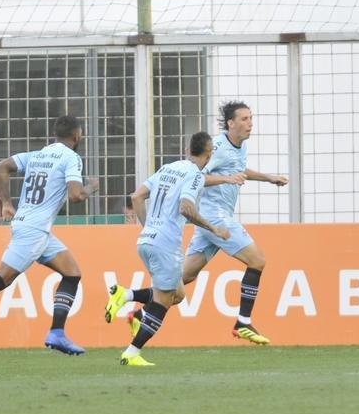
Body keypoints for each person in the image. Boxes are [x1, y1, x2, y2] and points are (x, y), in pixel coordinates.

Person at [0, 115, 98, 355]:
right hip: (34, 231)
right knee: (2, 279)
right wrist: (91, 187)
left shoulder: (38, 155)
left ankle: (57, 332)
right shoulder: (71, 158)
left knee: (72, 273)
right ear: (77, 135)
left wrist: (7, 203)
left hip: (33, 227)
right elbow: (76, 195)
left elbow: (3, 166)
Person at [104, 132, 230, 366]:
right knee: (163, 301)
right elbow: (186, 208)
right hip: (166, 244)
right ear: (209, 154)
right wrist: (214, 229)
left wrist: (149, 227)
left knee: (178, 295)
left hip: (146, 240)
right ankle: (132, 353)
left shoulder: (168, 168)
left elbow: (137, 196)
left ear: (188, 149)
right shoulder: (195, 175)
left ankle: (126, 295)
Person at [172, 101, 287, 345]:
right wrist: (226, 179)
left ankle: (133, 304)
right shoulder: (218, 147)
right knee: (257, 260)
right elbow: (195, 176)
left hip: (211, 220)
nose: (250, 123)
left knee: (185, 277)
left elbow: (239, 169)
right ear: (231, 123)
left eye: (251, 118)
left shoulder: (240, 146)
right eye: (244, 119)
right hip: (215, 216)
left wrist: (268, 178)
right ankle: (243, 322)